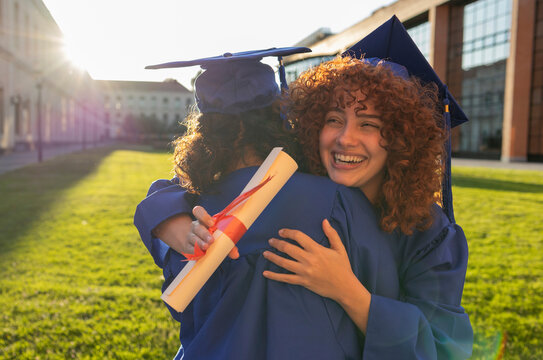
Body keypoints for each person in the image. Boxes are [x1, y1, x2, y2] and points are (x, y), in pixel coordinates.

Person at [135, 17, 473, 359]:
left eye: (369, 124)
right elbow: (183, 186)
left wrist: (350, 292)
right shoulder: (304, 180)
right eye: (334, 119)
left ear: (402, 139)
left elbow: (446, 348)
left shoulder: (428, 230)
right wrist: (172, 221)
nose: (345, 138)